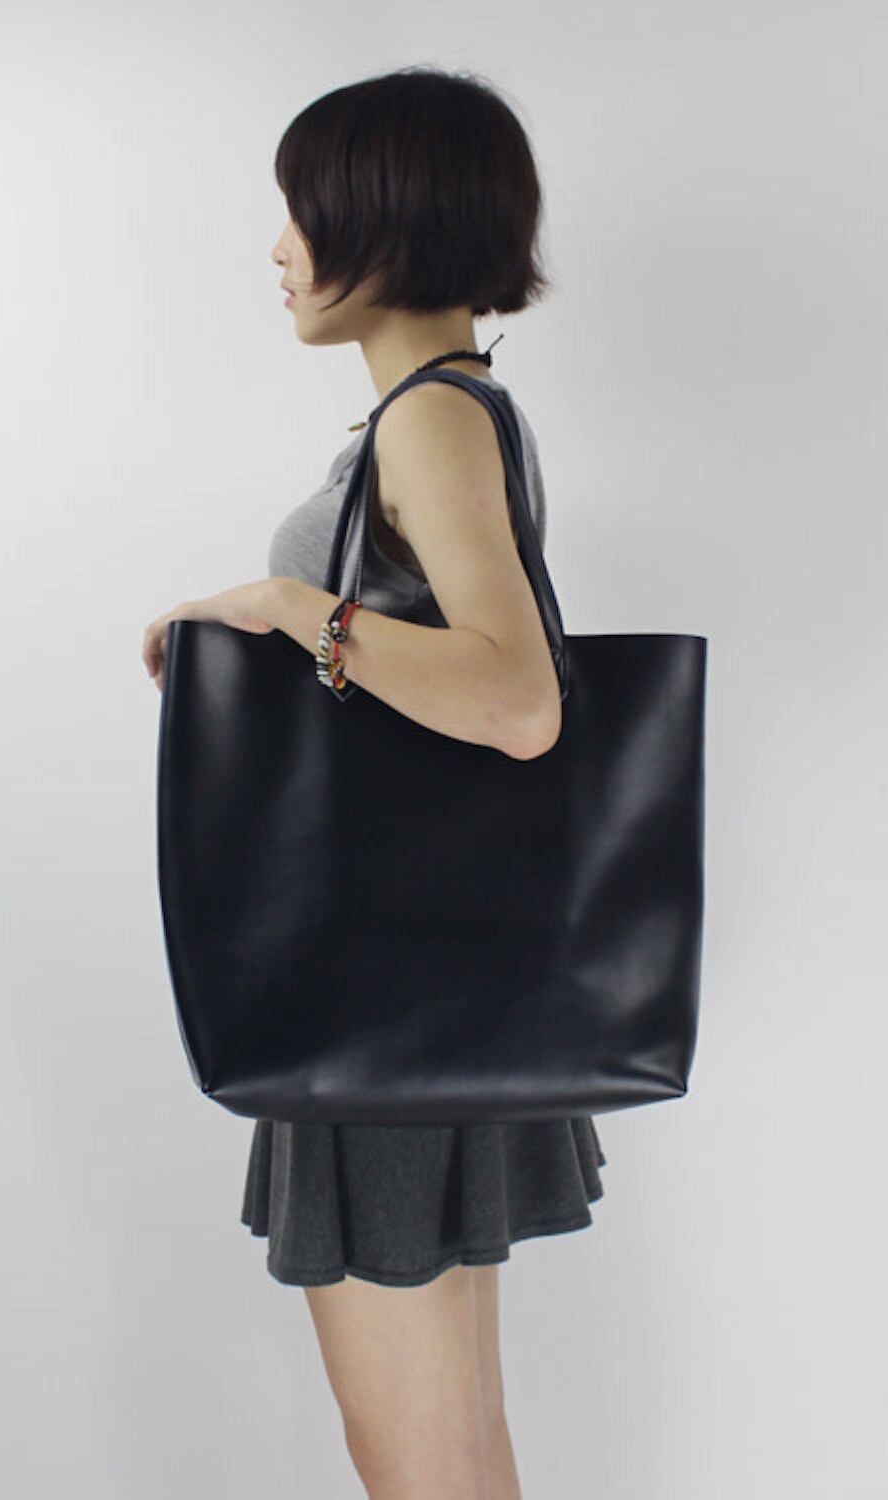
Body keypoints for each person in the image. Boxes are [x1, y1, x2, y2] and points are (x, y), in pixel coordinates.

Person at [142, 66, 606, 1500]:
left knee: (417, 1463)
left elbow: (518, 701)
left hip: (383, 1007)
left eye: (303, 210)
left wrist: (295, 612)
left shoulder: (432, 420)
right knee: (449, 1450)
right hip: (423, 989)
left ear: (385, 219)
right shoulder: (438, 413)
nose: (280, 248)